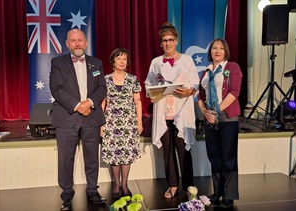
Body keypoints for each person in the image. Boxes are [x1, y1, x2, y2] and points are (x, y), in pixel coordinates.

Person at [49, 28, 107, 210]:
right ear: (67, 44)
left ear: (86, 42)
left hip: (91, 117)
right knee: (66, 159)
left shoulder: (96, 63)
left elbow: (102, 89)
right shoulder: (57, 63)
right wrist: (77, 105)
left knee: (92, 158)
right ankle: (66, 194)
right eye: (73, 40)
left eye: (80, 40)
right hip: (68, 117)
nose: (77, 43)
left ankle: (92, 190)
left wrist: (89, 103)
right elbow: (56, 89)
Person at [144, 22, 199, 199]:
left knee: (183, 149)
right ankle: (173, 185)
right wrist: (152, 92)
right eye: (164, 40)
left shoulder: (187, 60)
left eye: (170, 40)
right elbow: (148, 84)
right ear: (161, 43)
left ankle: (189, 186)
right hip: (163, 112)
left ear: (176, 41)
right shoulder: (156, 62)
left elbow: (195, 84)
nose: (167, 43)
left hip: (181, 112)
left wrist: (189, 91)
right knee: (167, 150)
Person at [197, 38, 243, 208]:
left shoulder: (232, 67)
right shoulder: (206, 72)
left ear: (225, 52)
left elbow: (234, 92)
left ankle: (229, 195)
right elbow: (200, 98)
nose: (217, 51)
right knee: (215, 157)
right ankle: (217, 192)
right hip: (210, 119)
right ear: (210, 52)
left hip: (227, 118)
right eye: (214, 48)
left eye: (221, 48)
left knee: (228, 158)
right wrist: (205, 112)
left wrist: (217, 112)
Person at [100, 48, 143, 199]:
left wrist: (139, 123)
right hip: (111, 121)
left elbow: (137, 101)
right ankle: (116, 184)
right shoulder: (105, 79)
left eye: (124, 59)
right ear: (113, 61)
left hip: (128, 123)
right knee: (114, 154)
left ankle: (125, 184)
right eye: (119, 58)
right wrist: (101, 124)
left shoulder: (133, 79)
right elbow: (103, 102)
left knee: (126, 154)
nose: (122, 61)